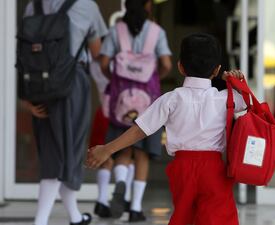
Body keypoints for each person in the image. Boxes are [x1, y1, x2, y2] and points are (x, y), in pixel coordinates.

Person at [86, 33, 246, 225]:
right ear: (218, 69)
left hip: (182, 168)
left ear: (180, 67)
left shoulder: (171, 99)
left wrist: (107, 149)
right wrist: (236, 82)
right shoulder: (228, 98)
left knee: (184, 216)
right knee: (220, 217)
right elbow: (251, 104)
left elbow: (141, 129)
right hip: (214, 169)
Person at [21, 0, 108, 225]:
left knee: (52, 150)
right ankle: (40, 221)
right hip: (71, 81)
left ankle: (75, 217)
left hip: (39, 83)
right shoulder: (87, 5)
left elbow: (26, 48)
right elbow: (97, 50)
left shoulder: (34, 5)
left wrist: (27, 96)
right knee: (70, 151)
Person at [97, 0, 172, 221]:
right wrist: (154, 77)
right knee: (142, 155)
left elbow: (103, 63)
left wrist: (115, 79)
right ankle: (136, 208)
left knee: (123, 150)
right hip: (147, 100)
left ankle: (120, 180)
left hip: (121, 100)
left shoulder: (115, 31)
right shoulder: (157, 32)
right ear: (148, 6)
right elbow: (167, 64)